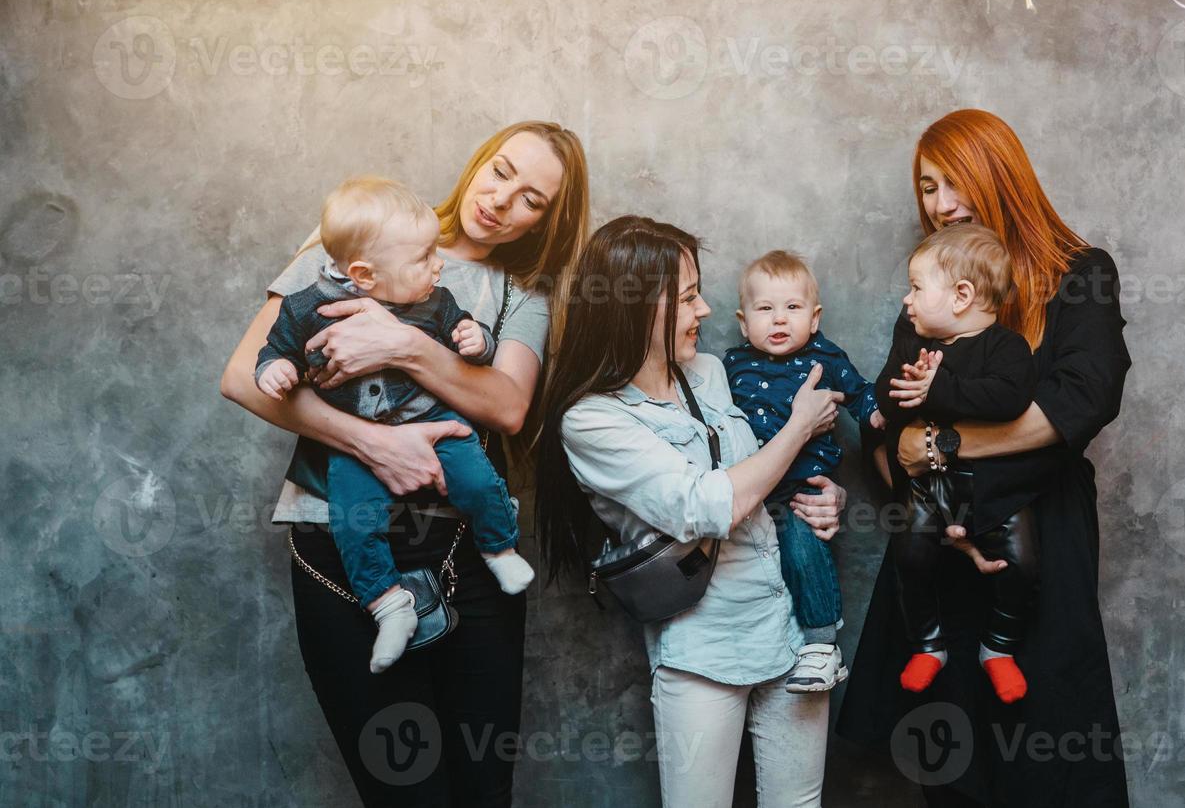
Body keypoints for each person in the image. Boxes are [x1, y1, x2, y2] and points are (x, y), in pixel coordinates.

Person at [221, 121, 589, 806]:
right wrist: (367, 442)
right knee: (405, 793)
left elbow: (507, 406)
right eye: (502, 170)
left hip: (467, 556)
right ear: (480, 159)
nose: (503, 200)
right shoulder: (359, 237)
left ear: (547, 221)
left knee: (483, 790)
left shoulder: (520, 297)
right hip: (338, 548)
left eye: (532, 199)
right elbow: (244, 377)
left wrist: (401, 344)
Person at [838, 109, 1132, 807]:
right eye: (927, 188)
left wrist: (937, 445)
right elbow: (884, 437)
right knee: (950, 763)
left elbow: (1078, 404)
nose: (938, 205)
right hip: (937, 548)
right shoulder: (929, 295)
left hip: (1039, 544)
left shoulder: (1077, 274)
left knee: (1048, 753)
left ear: (998, 177)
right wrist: (909, 464)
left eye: (952, 184)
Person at [534, 216, 850, 807]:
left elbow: (769, 480)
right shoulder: (591, 420)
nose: (704, 309)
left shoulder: (710, 373)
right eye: (685, 298)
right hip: (700, 651)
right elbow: (711, 506)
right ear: (634, 308)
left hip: (789, 631)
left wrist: (828, 495)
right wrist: (800, 426)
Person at [255, 176, 535, 675]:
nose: (438, 263)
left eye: (533, 199)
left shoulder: (437, 299)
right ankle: (388, 606)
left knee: (476, 476)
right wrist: (275, 368)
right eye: (425, 258)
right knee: (355, 518)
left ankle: (499, 546)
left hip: (434, 419)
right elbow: (272, 354)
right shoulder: (306, 306)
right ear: (363, 273)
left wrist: (478, 342)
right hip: (351, 438)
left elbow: (479, 359)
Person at [876, 223, 1042, 704]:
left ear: (961, 295)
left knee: (1023, 563)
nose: (907, 301)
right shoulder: (913, 342)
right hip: (928, 487)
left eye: (916, 288)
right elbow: (889, 398)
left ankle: (999, 648)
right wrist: (902, 393)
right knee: (909, 554)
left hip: (993, 491)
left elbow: (1010, 400)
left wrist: (937, 388)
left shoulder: (1007, 348)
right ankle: (928, 644)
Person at [723, 249, 886, 693]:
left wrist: (873, 413)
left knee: (802, 550)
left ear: (814, 319)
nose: (779, 320)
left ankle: (821, 645)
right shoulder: (731, 365)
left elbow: (857, 391)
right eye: (765, 309)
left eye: (792, 308)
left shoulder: (824, 358)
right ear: (743, 322)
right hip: (749, 491)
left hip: (800, 489)